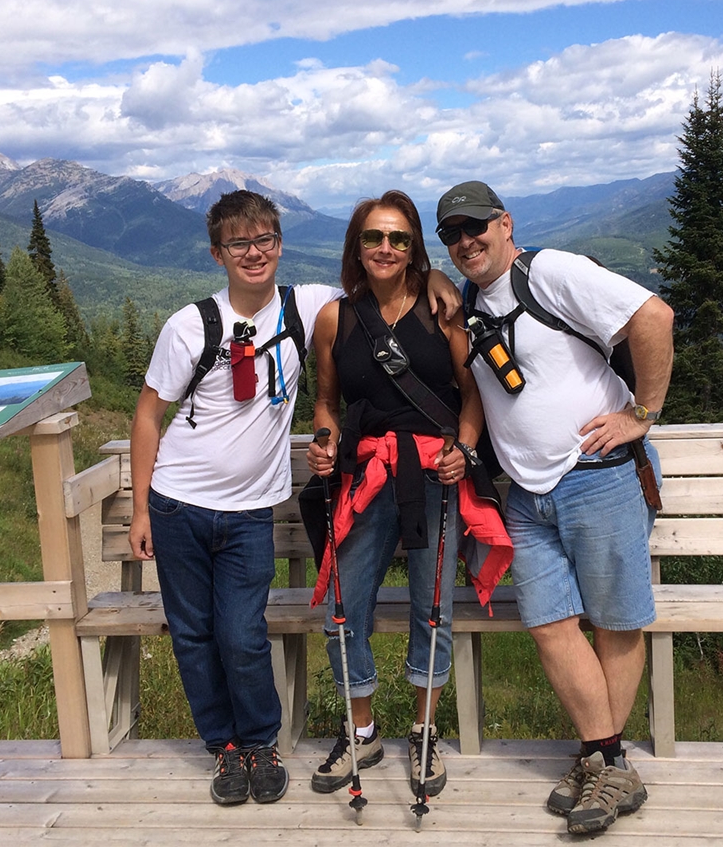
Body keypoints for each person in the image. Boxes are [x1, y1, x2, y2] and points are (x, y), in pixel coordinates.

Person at [129, 190, 461, 808]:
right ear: (217, 253)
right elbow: (149, 414)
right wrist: (144, 507)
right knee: (195, 634)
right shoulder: (191, 325)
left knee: (242, 632)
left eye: (265, 241)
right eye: (239, 244)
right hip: (179, 502)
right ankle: (227, 749)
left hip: (255, 506)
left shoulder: (304, 305)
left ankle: (261, 742)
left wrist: (435, 272)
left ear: (280, 245)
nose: (254, 253)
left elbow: (386, 282)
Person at [435, 180, 674, 836]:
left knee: (614, 622)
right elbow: (485, 387)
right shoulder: (469, 301)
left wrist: (642, 415)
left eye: (474, 227)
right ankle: (605, 758)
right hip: (527, 495)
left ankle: (606, 762)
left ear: (505, 223)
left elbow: (654, 317)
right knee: (549, 626)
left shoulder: (554, 273)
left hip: (600, 476)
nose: (465, 242)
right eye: (451, 235)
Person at [306, 190, 511, 800]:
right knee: (344, 610)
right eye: (374, 237)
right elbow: (326, 401)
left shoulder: (441, 310)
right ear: (357, 246)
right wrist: (324, 437)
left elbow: (472, 395)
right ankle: (362, 729)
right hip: (369, 474)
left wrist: (465, 449)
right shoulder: (334, 319)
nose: (386, 248)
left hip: (434, 475)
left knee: (433, 609)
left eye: (398, 238)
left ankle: (423, 731)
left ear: (414, 246)